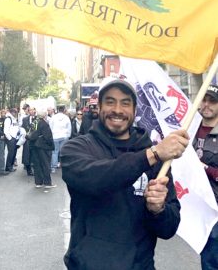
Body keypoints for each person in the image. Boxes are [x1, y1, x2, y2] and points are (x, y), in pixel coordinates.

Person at [61, 78, 189, 270]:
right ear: (99, 107)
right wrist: (152, 155)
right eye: (110, 101)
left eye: (125, 103)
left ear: (135, 109)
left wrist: (158, 210)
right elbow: (99, 179)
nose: (118, 110)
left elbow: (169, 229)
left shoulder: (157, 160)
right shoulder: (77, 148)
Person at [192, 84, 218, 270]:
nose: (207, 105)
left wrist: (204, 168)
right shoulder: (190, 129)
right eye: (204, 99)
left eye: (212, 101)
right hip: (197, 205)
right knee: (207, 257)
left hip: (216, 206)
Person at [27, 108, 56, 189]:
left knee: (37, 165)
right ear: (45, 116)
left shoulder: (34, 122)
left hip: (34, 146)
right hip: (43, 147)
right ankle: (47, 183)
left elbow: (30, 134)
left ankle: (38, 182)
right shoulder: (44, 124)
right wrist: (51, 145)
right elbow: (48, 137)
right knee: (45, 164)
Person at [49, 105, 71, 172]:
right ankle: (63, 165)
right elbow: (69, 127)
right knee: (63, 151)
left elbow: (50, 126)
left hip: (55, 136)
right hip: (64, 136)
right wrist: (68, 135)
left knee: (54, 152)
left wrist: (51, 135)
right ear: (64, 110)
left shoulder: (53, 117)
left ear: (58, 110)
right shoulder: (66, 117)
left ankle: (53, 167)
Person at [21, 107, 37, 176]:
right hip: (27, 140)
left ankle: (35, 168)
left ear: (35, 111)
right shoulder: (25, 119)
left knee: (35, 155)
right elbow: (22, 127)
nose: (31, 111)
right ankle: (28, 169)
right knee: (27, 155)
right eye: (29, 110)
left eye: (32, 110)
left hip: (35, 140)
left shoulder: (38, 119)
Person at [4, 108, 20, 172]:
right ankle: (8, 167)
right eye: (15, 112)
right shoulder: (8, 119)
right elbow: (6, 131)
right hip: (11, 139)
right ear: (12, 112)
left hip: (15, 138)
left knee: (14, 153)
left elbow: (16, 127)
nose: (16, 113)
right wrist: (10, 139)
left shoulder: (14, 119)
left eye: (16, 112)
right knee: (11, 153)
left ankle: (11, 166)